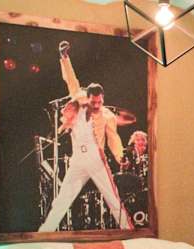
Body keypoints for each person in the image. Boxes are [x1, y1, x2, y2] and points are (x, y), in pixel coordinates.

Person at [38, 40, 133, 232]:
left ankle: (129, 231)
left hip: (96, 159)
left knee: (113, 198)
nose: (96, 105)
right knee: (63, 198)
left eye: (99, 102)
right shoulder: (79, 101)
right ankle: (44, 232)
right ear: (87, 98)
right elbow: (71, 81)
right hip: (78, 159)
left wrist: (120, 156)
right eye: (93, 102)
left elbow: (114, 139)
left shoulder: (107, 115)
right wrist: (64, 57)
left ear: (102, 99)